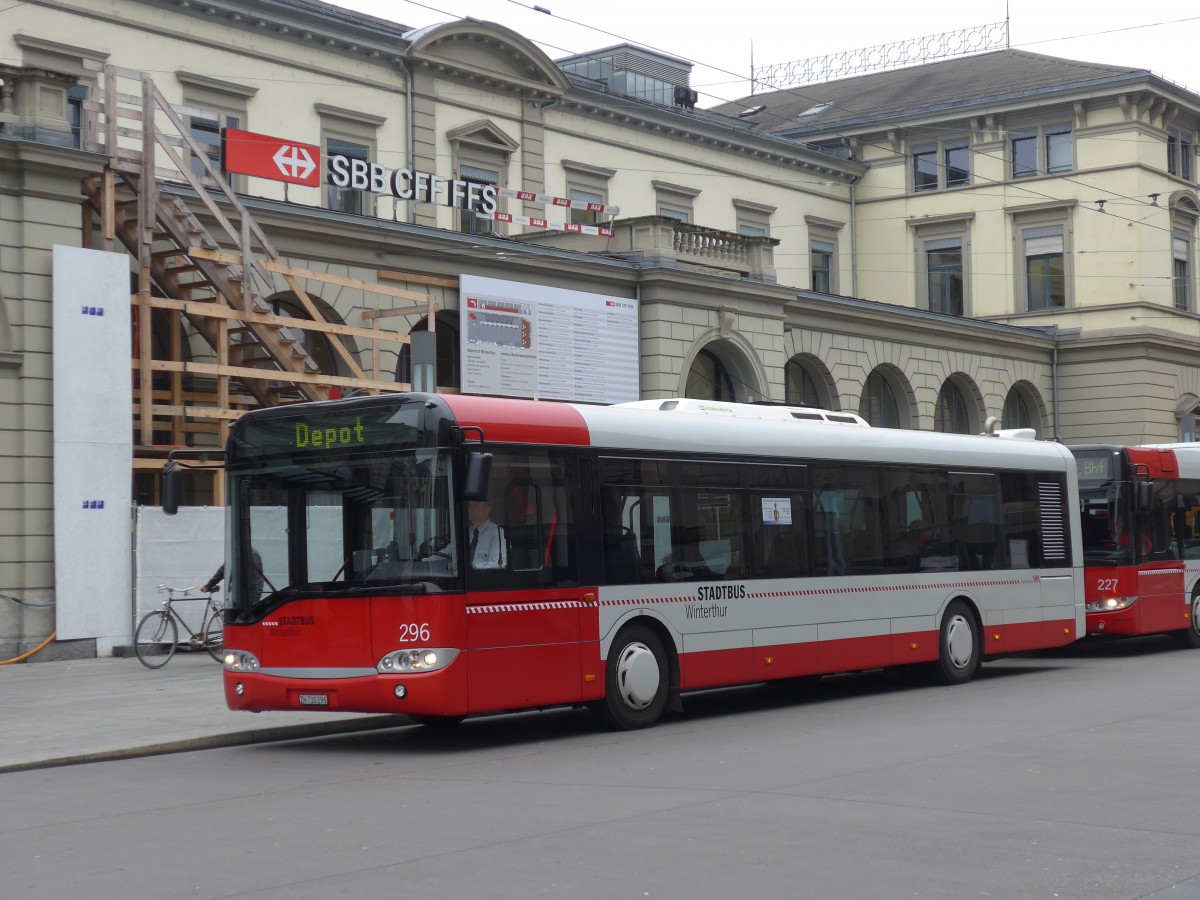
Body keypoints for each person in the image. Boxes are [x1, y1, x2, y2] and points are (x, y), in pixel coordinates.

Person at [467, 500, 505, 569]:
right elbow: (448, 552)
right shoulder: (466, 532)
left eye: (475, 505)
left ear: (487, 509)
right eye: (469, 505)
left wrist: (473, 567)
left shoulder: (498, 532)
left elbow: (499, 564)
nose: (470, 508)